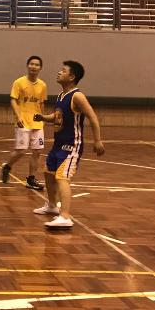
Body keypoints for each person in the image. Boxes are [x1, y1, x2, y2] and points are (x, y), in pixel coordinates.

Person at [32, 60, 105, 229]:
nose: (59, 72)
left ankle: (65, 216)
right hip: (58, 144)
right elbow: (58, 117)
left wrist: (98, 140)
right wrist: (43, 118)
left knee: (62, 177)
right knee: (48, 173)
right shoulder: (61, 95)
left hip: (72, 146)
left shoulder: (77, 96)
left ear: (72, 77)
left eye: (63, 70)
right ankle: (52, 205)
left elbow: (92, 117)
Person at [1, 56, 48, 191]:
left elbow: (41, 103)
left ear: (40, 68)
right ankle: (7, 167)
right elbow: (13, 100)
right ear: (27, 66)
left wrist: (43, 118)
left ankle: (31, 179)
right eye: (31, 64)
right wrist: (18, 116)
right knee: (21, 150)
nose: (34, 66)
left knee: (37, 151)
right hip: (23, 121)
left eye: (37, 65)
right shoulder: (19, 82)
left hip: (37, 122)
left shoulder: (42, 85)